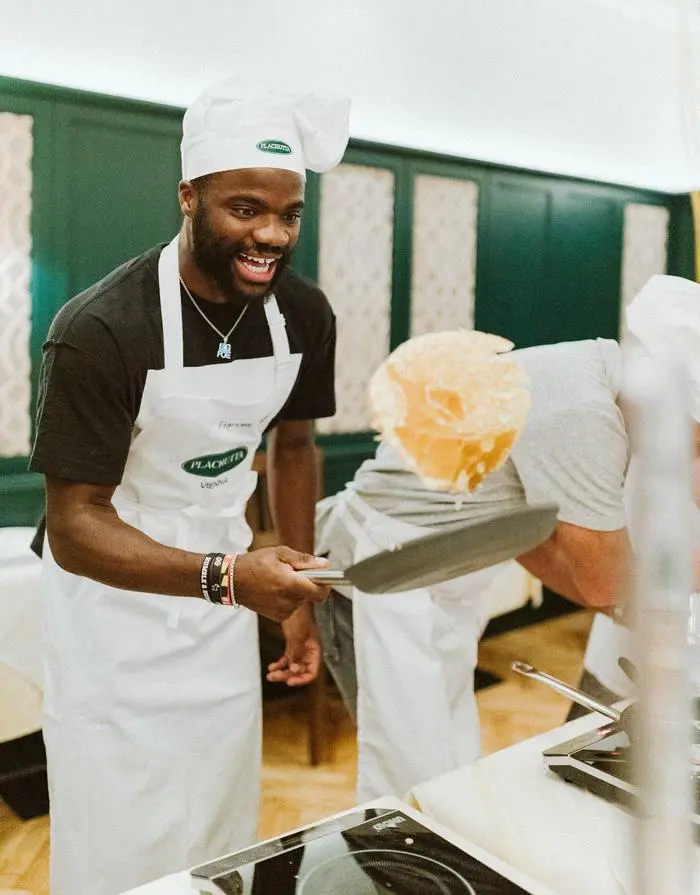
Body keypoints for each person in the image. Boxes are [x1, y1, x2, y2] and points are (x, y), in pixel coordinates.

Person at [28, 80, 350, 895]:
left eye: (290, 213)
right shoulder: (101, 329)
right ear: (189, 195)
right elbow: (74, 524)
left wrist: (299, 593)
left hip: (221, 601)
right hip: (110, 607)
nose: (271, 235)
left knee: (216, 812)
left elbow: (297, 445)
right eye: (246, 209)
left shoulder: (303, 316)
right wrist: (230, 577)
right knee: (121, 830)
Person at [314, 274, 700, 802]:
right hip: (377, 579)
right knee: (407, 784)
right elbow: (602, 580)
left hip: (438, 579)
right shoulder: (582, 416)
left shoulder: (591, 375)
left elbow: (533, 537)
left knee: (450, 766)